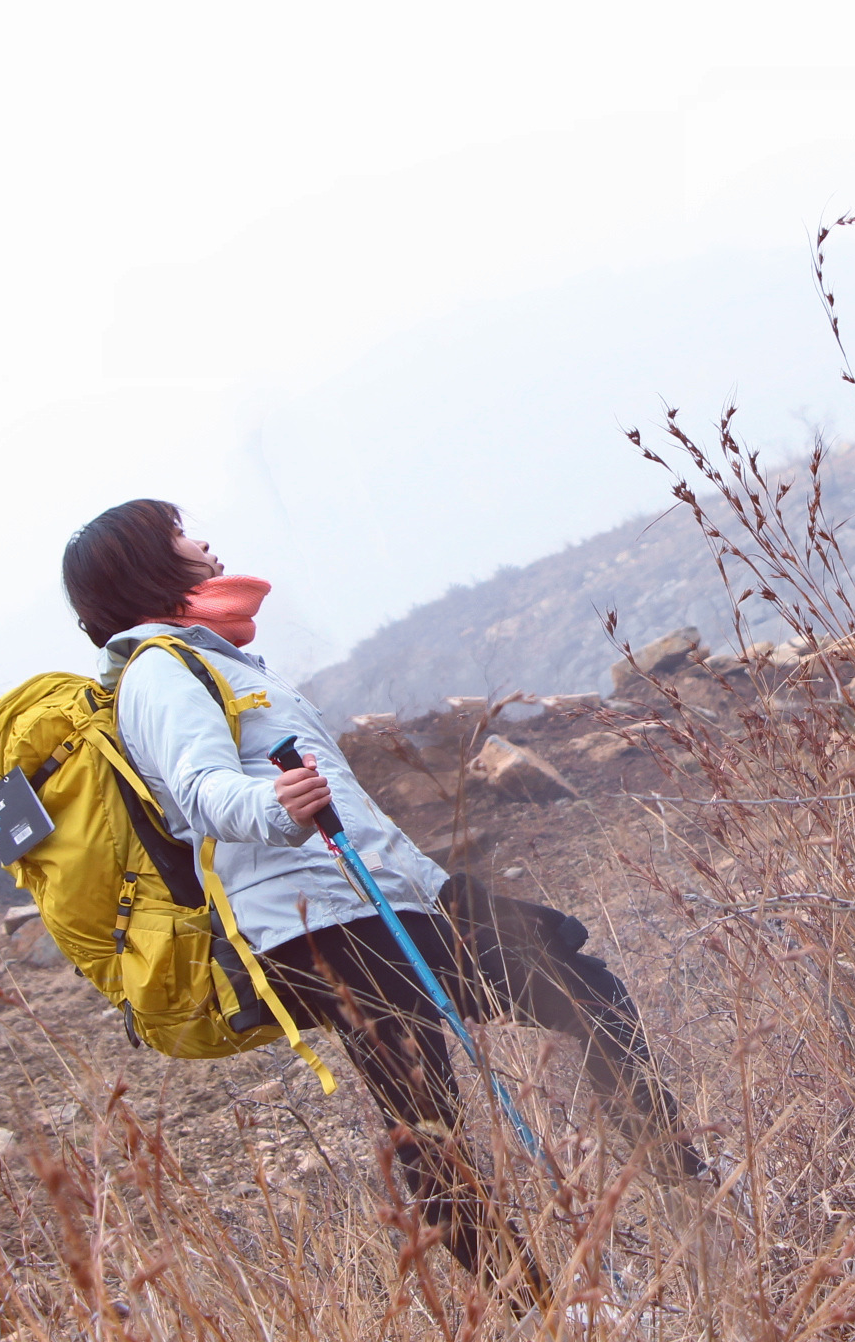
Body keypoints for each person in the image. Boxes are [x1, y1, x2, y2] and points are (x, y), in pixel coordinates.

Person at [60, 498, 706, 1293]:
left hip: (374, 900)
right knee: (429, 1121)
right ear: (147, 567)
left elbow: (355, 818)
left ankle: (681, 1183)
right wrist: (275, 805)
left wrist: (444, 891)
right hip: (316, 924)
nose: (203, 542)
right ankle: (547, 1310)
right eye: (180, 535)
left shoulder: (219, 659)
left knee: (573, 982)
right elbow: (199, 790)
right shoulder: (160, 669)